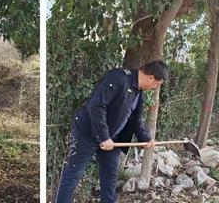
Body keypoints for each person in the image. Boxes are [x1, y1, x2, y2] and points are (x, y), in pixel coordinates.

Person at [54, 60, 170, 203]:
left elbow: (135, 119)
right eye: (156, 84)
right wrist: (103, 137)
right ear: (151, 77)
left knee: (110, 177)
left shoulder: (138, 93)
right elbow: (97, 105)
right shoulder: (118, 78)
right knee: (73, 173)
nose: (154, 87)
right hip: (87, 132)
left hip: (112, 138)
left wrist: (145, 138)